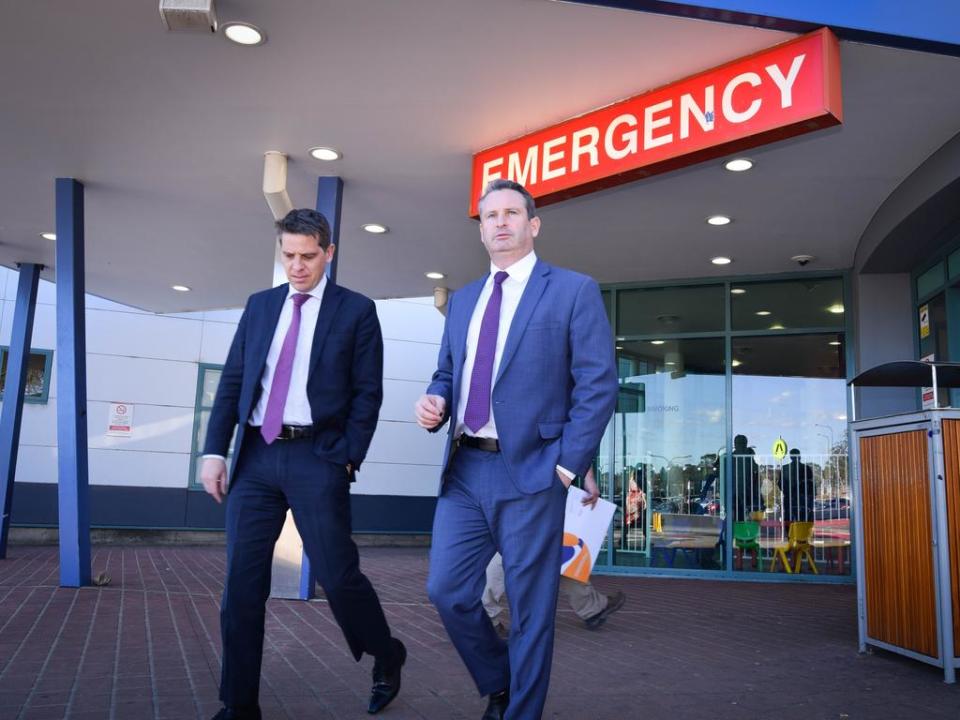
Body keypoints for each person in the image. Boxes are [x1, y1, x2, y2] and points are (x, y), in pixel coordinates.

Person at [414, 179, 618, 720]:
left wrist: (569, 465)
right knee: (447, 591)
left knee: (530, 611)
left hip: (533, 471)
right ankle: (500, 680)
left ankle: (520, 713)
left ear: (533, 224)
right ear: (480, 230)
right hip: (464, 469)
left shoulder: (573, 290)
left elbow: (598, 383)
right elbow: (447, 372)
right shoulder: (463, 301)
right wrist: (436, 400)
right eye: (489, 216)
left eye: (511, 213)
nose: (500, 222)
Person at [200, 209, 405, 720]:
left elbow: (368, 394)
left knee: (338, 576)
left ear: (328, 253)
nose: (297, 265)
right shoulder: (260, 306)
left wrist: (347, 459)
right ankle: (238, 705)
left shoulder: (356, 311)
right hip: (255, 456)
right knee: (241, 588)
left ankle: (386, 651)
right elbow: (233, 382)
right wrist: (213, 451)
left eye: (308, 256)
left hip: (319, 456)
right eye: (288, 255)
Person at [482, 467, 626, 635]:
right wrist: (589, 480)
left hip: (534, 484)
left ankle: (592, 607)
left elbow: (574, 442)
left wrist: (588, 479)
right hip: (522, 484)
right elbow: (574, 442)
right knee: (510, 548)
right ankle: (485, 617)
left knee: (553, 550)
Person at [781, 448, 815, 528]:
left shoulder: (785, 468)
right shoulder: (806, 468)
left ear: (790, 457)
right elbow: (810, 484)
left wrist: (787, 492)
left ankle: (792, 535)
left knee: (789, 517)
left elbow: (781, 484)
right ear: (799, 456)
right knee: (805, 518)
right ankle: (802, 535)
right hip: (802, 498)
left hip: (792, 498)